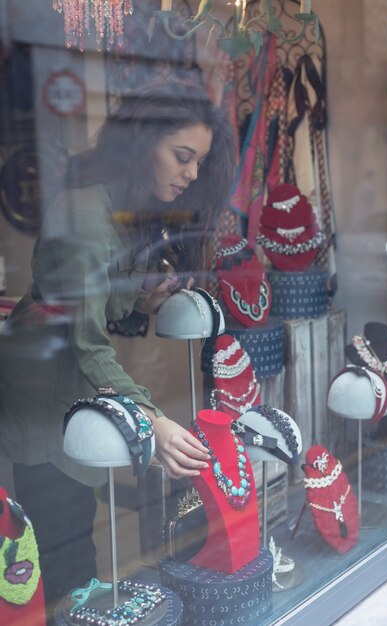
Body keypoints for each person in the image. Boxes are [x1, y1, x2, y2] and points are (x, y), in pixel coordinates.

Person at [0, 78, 236, 616]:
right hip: (45, 386)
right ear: (142, 143)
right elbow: (86, 343)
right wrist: (153, 418)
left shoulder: (115, 204)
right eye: (182, 156)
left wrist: (142, 298)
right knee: (63, 534)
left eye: (199, 161)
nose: (192, 174)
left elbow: (97, 304)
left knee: (76, 522)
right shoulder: (86, 216)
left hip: (68, 377)